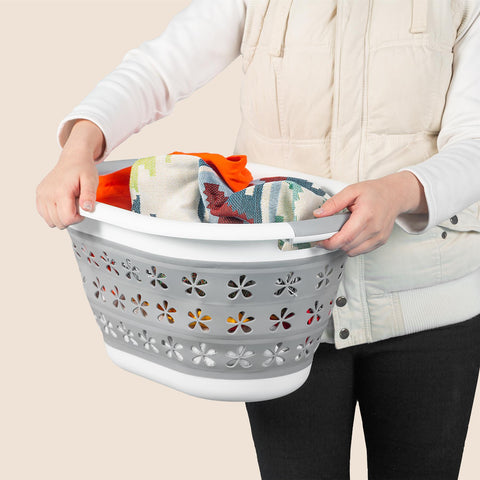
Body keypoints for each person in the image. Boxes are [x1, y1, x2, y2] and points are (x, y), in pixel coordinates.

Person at [36, 1, 480, 478]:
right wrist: (81, 146)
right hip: (282, 311)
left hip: (430, 303)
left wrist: (400, 192)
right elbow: (160, 67)